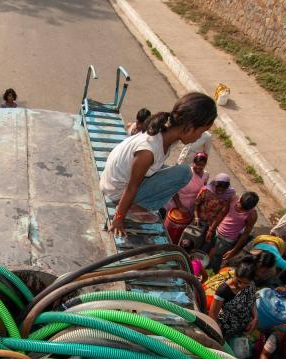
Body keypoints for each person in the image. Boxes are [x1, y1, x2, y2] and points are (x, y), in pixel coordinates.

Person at [101, 92, 218, 237]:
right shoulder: (148, 151)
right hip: (117, 191)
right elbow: (132, 187)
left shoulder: (167, 132)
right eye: (201, 132)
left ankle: (134, 204)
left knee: (173, 172)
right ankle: (131, 207)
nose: (200, 137)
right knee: (184, 173)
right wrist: (118, 219)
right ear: (189, 127)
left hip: (119, 180)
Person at [208, 255, 258, 339]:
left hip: (243, 323)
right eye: (238, 281)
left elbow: (251, 300)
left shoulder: (251, 284)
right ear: (234, 273)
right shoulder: (223, 290)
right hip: (226, 326)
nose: (240, 285)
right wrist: (217, 331)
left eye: (245, 283)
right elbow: (212, 314)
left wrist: (255, 318)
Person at [210, 191, 259, 271]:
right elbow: (222, 213)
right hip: (217, 230)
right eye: (240, 204)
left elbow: (245, 234)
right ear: (240, 199)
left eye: (243, 209)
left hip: (227, 239)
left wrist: (234, 250)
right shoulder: (233, 198)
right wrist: (211, 229)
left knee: (217, 256)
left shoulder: (252, 215)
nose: (239, 207)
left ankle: (212, 270)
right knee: (210, 249)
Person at [193, 173, 235, 250]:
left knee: (205, 243)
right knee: (194, 239)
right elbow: (196, 204)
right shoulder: (206, 190)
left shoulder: (229, 195)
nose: (220, 192)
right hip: (200, 220)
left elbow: (222, 213)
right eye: (218, 189)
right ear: (214, 185)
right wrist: (196, 217)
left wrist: (211, 229)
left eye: (223, 190)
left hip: (214, 223)